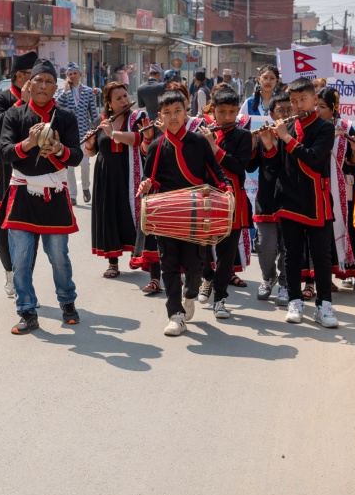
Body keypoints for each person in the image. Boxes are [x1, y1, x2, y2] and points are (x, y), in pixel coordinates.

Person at [0, 58, 84, 334]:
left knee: (59, 255)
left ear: (54, 87)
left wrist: (58, 149)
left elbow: (77, 155)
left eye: (50, 81)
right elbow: (5, 152)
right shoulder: (15, 115)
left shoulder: (66, 117)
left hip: (55, 193)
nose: (44, 85)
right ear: (29, 83)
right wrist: (29, 143)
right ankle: (26, 310)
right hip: (23, 193)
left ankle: (67, 302)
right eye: (39, 80)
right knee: (21, 258)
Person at [137, 89, 229, 336]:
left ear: (186, 113)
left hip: (196, 214)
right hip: (167, 214)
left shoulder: (198, 142)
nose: (173, 117)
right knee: (168, 264)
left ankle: (191, 294)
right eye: (167, 113)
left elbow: (216, 173)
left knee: (193, 265)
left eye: (178, 111)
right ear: (160, 116)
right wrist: (146, 184)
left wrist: (226, 188)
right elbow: (149, 177)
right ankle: (175, 314)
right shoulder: (156, 146)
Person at [254, 78, 339, 328]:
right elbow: (276, 167)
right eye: (293, 101)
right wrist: (270, 145)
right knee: (292, 254)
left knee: (321, 255)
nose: (298, 105)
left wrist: (285, 139)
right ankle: (294, 300)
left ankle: (324, 305)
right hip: (289, 198)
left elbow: (312, 159)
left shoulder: (324, 128)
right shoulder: (287, 128)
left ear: (314, 99)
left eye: (303, 99)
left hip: (316, 200)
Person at [200, 87, 254, 320]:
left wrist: (214, 147)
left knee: (226, 253)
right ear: (213, 112)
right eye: (222, 112)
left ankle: (220, 298)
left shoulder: (243, 136)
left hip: (233, 201)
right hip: (206, 199)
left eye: (232, 112)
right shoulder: (203, 133)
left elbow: (240, 168)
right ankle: (207, 278)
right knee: (200, 247)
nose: (228, 117)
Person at [0, 51, 36, 299]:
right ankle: (10, 273)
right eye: (32, 76)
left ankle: (25, 281)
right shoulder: (2, 98)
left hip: (33, 172)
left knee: (30, 228)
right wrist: (21, 103)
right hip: (6, 172)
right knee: (0, 228)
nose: (38, 81)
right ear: (20, 76)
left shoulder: (40, 101)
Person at [83, 82, 141, 276]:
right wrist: (90, 143)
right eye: (119, 98)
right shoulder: (102, 121)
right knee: (109, 215)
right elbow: (91, 153)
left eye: (125, 96)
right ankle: (113, 262)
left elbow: (136, 139)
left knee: (131, 211)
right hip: (106, 174)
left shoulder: (136, 118)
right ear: (109, 104)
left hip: (129, 173)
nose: (125, 101)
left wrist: (112, 133)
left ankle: (138, 253)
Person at [315, 87, 355, 288]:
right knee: (323, 232)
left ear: (333, 108)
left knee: (349, 227)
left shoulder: (346, 128)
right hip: (318, 186)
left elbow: (354, 161)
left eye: (322, 106)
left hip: (341, 190)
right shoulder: (311, 128)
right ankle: (326, 276)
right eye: (315, 105)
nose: (317, 110)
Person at [252, 92, 293, 305]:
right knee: (264, 244)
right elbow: (250, 166)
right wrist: (255, 143)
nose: (286, 114)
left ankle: (285, 283)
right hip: (267, 200)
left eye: (289, 110)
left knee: (288, 247)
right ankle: (268, 277)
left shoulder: (296, 137)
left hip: (291, 200)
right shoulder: (263, 134)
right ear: (271, 113)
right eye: (281, 111)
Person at [56, 62, 99, 205]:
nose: (72, 76)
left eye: (75, 73)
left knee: (85, 163)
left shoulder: (88, 92)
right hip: (67, 136)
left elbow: (94, 113)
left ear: (80, 74)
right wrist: (66, 91)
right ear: (66, 77)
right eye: (70, 74)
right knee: (69, 168)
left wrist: (96, 129)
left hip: (84, 134)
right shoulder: (62, 92)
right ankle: (73, 195)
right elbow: (56, 106)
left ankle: (86, 187)